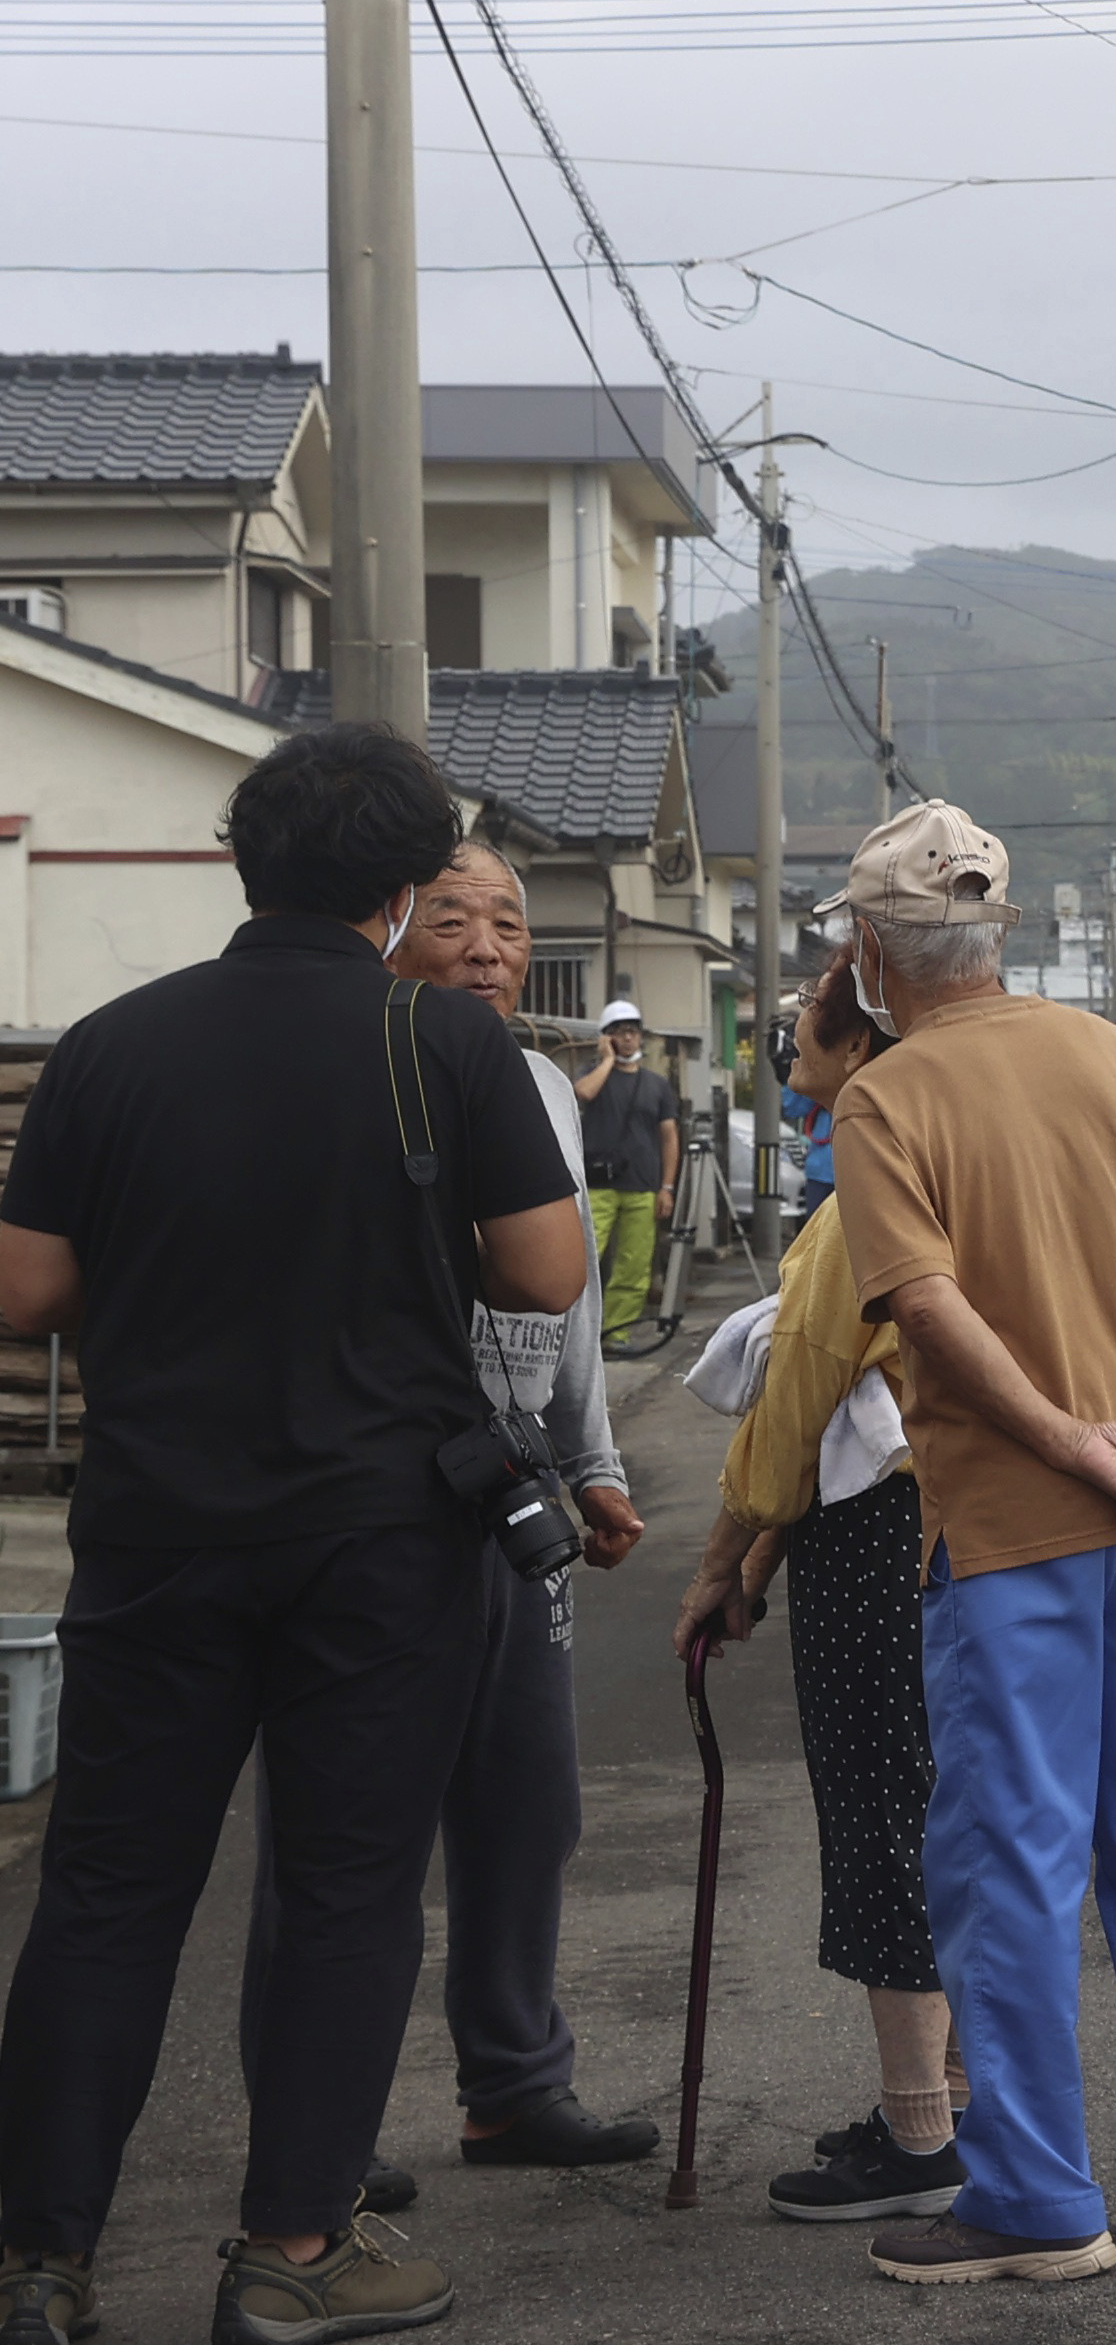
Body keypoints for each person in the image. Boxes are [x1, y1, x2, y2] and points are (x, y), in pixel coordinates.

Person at [0, 723, 593, 2345]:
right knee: (343, 1887)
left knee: (108, 1889)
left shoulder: (111, 1048)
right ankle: (291, 2256)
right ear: (403, 893)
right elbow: (545, 1272)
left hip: (155, 1527)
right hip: (379, 1539)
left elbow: (25, 1289)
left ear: (239, 862)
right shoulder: (445, 1048)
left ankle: (40, 2266)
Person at [817, 802, 1116, 2285]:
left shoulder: (885, 1100)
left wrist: (1069, 1441)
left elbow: (928, 1303)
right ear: (997, 931)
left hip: (1015, 1525)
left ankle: (1032, 2197)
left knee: (1005, 1855)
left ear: (876, 950)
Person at [243, 844, 660, 2215]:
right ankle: (324, 2126)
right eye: (458, 918)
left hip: (519, 1483)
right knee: (350, 1822)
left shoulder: (537, 1080)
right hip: (377, 1488)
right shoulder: (349, 1065)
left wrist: (591, 1461)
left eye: (510, 923)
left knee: (523, 1802)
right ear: (391, 923)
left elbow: (573, 1306)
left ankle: (515, 2082)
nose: (489, 946)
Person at [675, 947, 962, 2227]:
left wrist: (722, 1560)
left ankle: (918, 2133)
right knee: (957, 1816)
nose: (791, 1059)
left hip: (874, 1537)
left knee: (878, 1811)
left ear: (859, 1056)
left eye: (802, 1038)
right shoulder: (970, 1160)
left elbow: (798, 1403)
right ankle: (964, 2105)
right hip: (981, 1527)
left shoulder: (863, 1198)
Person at [571, 998, 682, 1341]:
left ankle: (616, 1335)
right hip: (598, 1183)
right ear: (606, 1037)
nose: (628, 1039)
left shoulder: (657, 1084)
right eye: (618, 1033)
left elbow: (669, 1137)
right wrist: (606, 1060)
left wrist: (666, 1187)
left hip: (643, 1185)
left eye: (633, 1032)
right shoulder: (594, 1074)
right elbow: (582, 1093)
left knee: (634, 1267)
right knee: (584, 1261)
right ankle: (578, 1337)